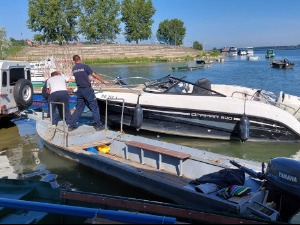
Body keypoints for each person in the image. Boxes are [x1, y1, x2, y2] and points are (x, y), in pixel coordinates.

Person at [68, 55, 109, 131]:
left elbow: (82, 77)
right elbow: (94, 74)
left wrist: (91, 79)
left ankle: (71, 125)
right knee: (94, 107)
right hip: (87, 90)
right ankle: (98, 125)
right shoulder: (85, 66)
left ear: (74, 61)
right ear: (80, 59)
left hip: (79, 90)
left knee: (79, 108)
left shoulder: (74, 69)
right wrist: (103, 81)